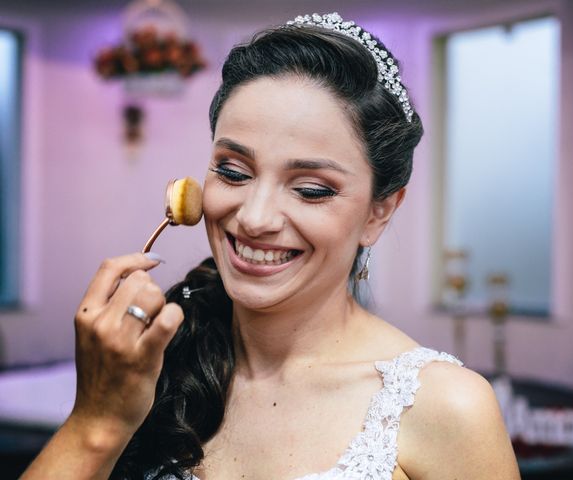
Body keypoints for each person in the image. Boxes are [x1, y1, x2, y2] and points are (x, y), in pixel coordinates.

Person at [21, 12, 520, 480]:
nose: (255, 219)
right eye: (233, 172)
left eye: (310, 189)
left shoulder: (445, 408)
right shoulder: (154, 367)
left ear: (379, 211)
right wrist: (94, 422)